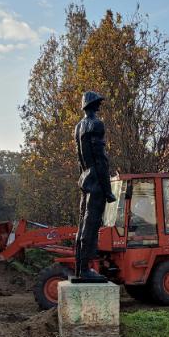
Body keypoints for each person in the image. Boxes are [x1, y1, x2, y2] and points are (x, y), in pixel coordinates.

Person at [74, 91, 116, 282]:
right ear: (90, 105)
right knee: (90, 225)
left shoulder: (78, 127)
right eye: (97, 103)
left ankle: (80, 268)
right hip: (96, 180)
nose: (100, 106)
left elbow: (79, 160)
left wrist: (82, 179)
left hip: (85, 178)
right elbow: (101, 160)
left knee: (83, 223)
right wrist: (108, 190)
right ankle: (84, 270)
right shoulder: (96, 124)